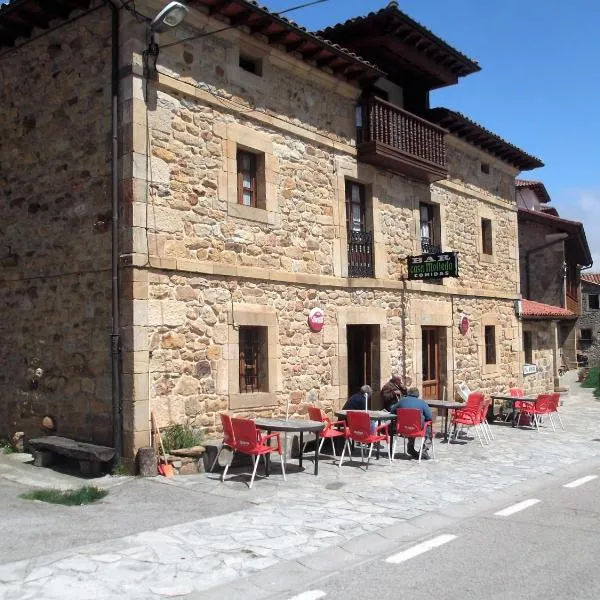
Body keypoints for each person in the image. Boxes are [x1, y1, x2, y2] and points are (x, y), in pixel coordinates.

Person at [388, 387, 433, 460]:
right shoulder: (422, 403)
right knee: (427, 425)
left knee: (411, 424)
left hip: (403, 428)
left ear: (408, 393)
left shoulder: (402, 401)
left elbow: (392, 411)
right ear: (418, 395)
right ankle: (424, 449)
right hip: (416, 427)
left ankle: (410, 448)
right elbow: (429, 417)